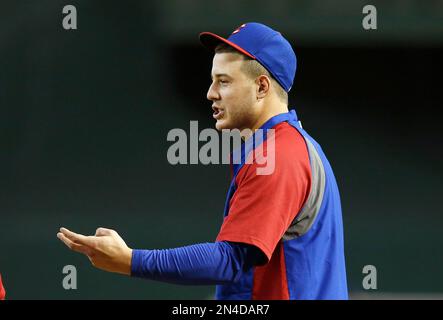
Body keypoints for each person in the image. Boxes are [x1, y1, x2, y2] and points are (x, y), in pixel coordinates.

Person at [57, 22, 348, 300]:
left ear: (261, 87)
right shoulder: (287, 147)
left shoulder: (281, 155)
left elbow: (230, 259)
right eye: (212, 81)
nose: (211, 94)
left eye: (224, 82)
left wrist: (131, 260)